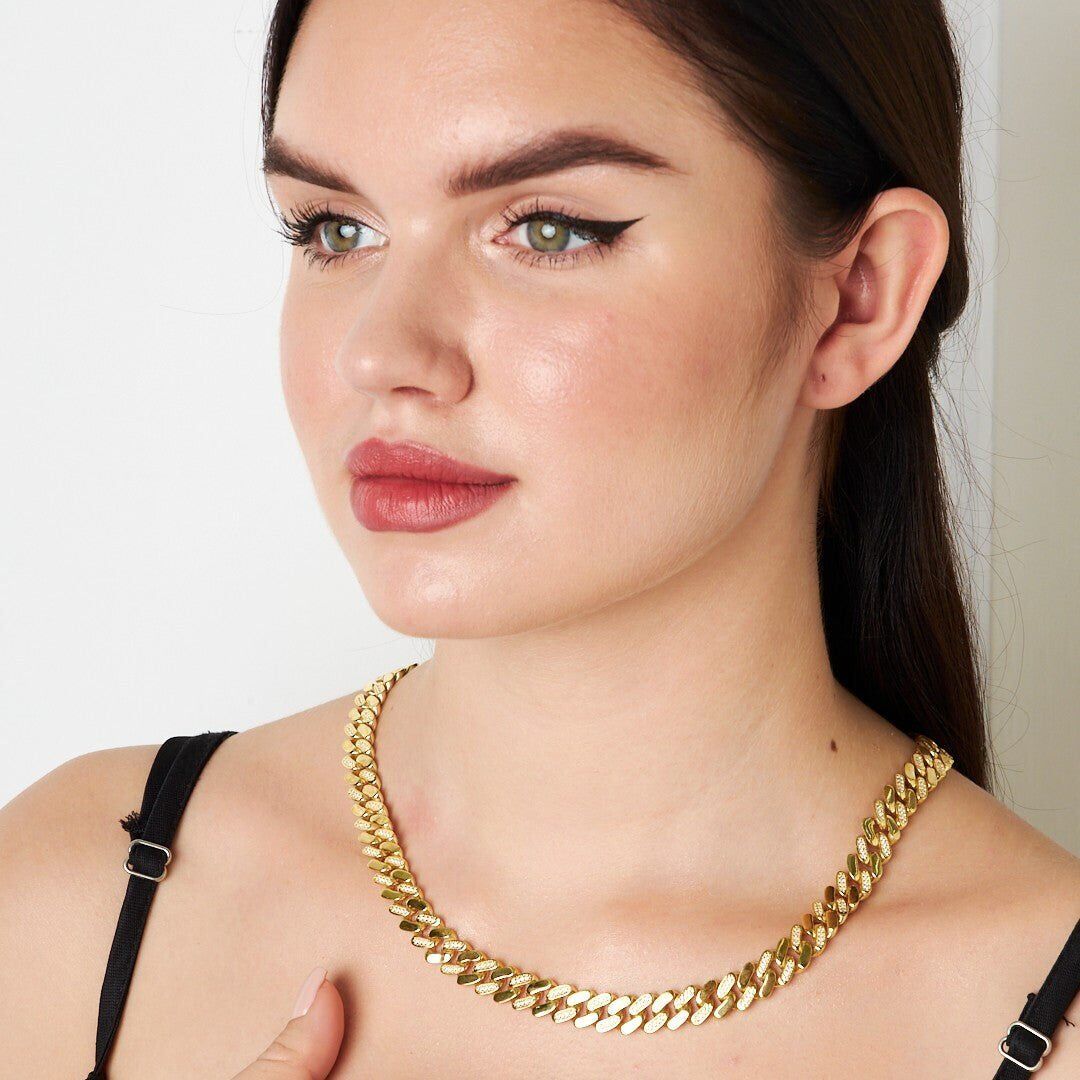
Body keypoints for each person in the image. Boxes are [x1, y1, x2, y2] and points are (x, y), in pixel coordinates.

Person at [2, 0, 1077, 1076]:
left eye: (549, 228)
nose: (381, 352)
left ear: (859, 297)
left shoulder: (1043, 1012)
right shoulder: (72, 904)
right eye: (336, 229)